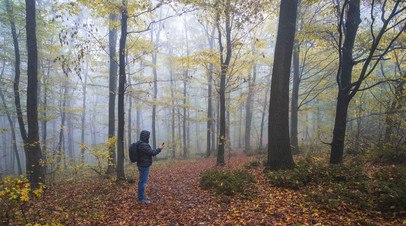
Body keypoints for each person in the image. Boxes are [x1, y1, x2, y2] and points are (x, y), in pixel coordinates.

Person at [135, 130, 164, 204]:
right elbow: (152, 152)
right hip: (144, 165)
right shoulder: (143, 145)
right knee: (143, 182)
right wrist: (159, 148)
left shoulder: (140, 143)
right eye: (148, 136)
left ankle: (141, 196)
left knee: (142, 181)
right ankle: (141, 198)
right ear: (145, 136)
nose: (148, 137)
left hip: (142, 164)